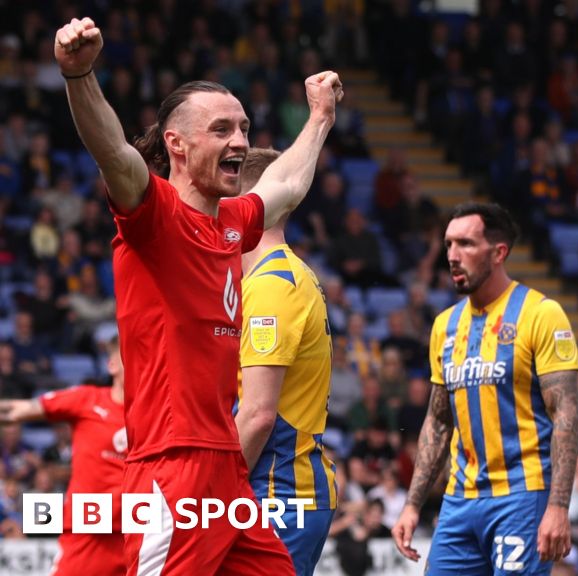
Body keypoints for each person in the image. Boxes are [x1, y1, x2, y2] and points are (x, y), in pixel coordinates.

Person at [54, 16, 342, 575]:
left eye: (243, 128)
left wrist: (320, 118)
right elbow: (113, 151)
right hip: (171, 467)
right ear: (176, 144)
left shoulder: (233, 224)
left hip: (228, 469)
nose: (240, 141)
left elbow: (285, 185)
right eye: (221, 129)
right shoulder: (154, 215)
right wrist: (80, 75)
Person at [391, 203, 578, 574]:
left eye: (465, 244)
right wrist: (413, 503)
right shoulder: (444, 326)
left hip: (522, 498)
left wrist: (558, 506)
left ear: (498, 253)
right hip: (460, 499)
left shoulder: (541, 314)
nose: (452, 256)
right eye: (448, 245)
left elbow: (566, 414)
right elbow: (438, 420)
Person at [235, 148, 336, 576]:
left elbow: (258, 415)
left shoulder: (273, 286)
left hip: (278, 489)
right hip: (276, 487)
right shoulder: (280, 275)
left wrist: (208, 491)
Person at [0, 336, 126, 576]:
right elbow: (19, 409)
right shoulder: (87, 400)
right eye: (130, 354)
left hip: (139, 533)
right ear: (112, 364)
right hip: (89, 534)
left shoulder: (157, 415)